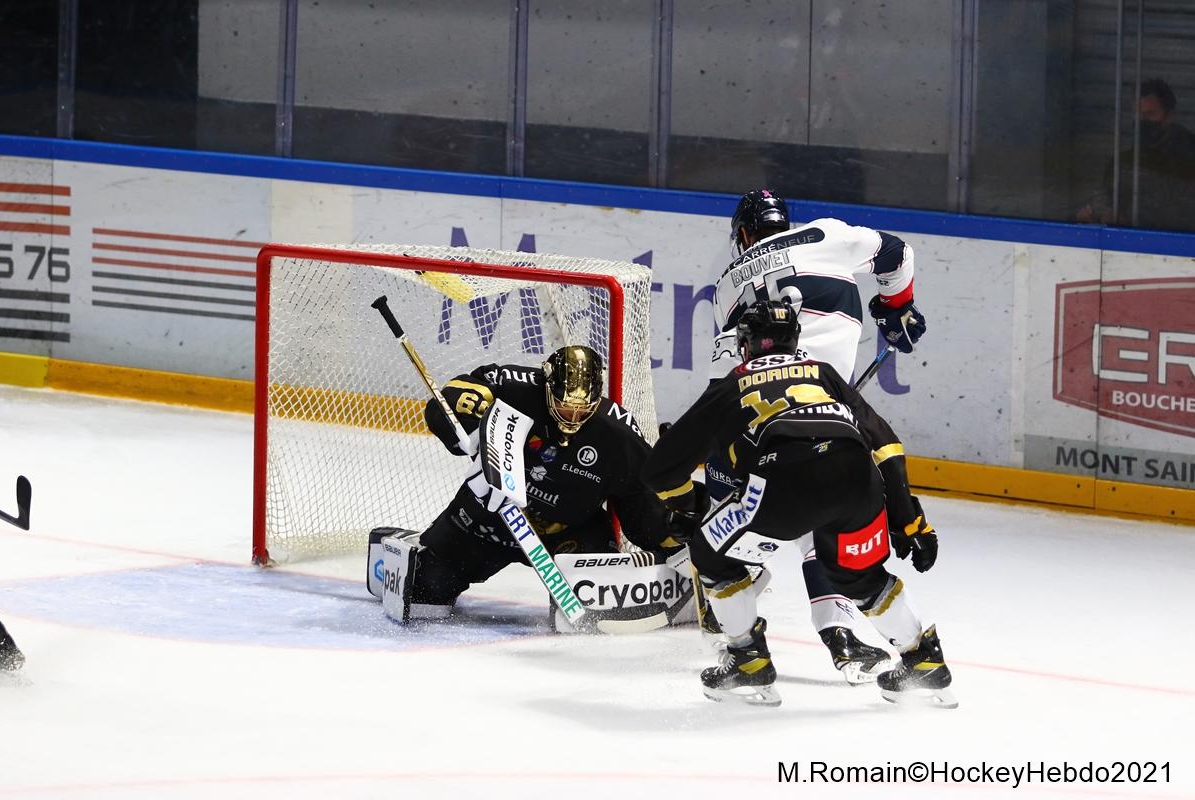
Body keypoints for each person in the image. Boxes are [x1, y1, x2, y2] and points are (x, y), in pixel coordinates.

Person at [644, 301, 953, 708]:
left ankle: (748, 660)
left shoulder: (733, 384)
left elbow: (660, 470)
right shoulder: (822, 372)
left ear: (744, 345)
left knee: (709, 552)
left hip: (785, 480)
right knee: (858, 576)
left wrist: (686, 508)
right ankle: (923, 660)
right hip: (857, 477)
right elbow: (886, 443)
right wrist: (908, 518)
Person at [698, 188, 927, 684]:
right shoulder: (826, 234)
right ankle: (843, 633)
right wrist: (897, 308)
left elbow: (723, 384)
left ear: (743, 234)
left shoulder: (725, 286)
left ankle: (734, 611)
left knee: (734, 527)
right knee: (829, 513)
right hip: (828, 414)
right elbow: (898, 253)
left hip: (757, 426)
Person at [372, 345, 679, 619]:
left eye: (582, 409)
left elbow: (640, 500)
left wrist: (670, 539)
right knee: (425, 592)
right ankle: (413, 547)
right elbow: (449, 399)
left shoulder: (618, 435)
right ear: (548, 386)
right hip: (488, 521)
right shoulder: (513, 387)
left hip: (568, 535)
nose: (572, 417)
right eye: (564, 405)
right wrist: (473, 430)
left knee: (597, 610)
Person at [1077, 78, 1195, 232]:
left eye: (1150, 114)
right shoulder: (1124, 162)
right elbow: (1106, 198)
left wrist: (1129, 220)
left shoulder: (1188, 158)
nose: (1142, 121)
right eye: (1137, 114)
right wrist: (1096, 211)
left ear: (1169, 116)